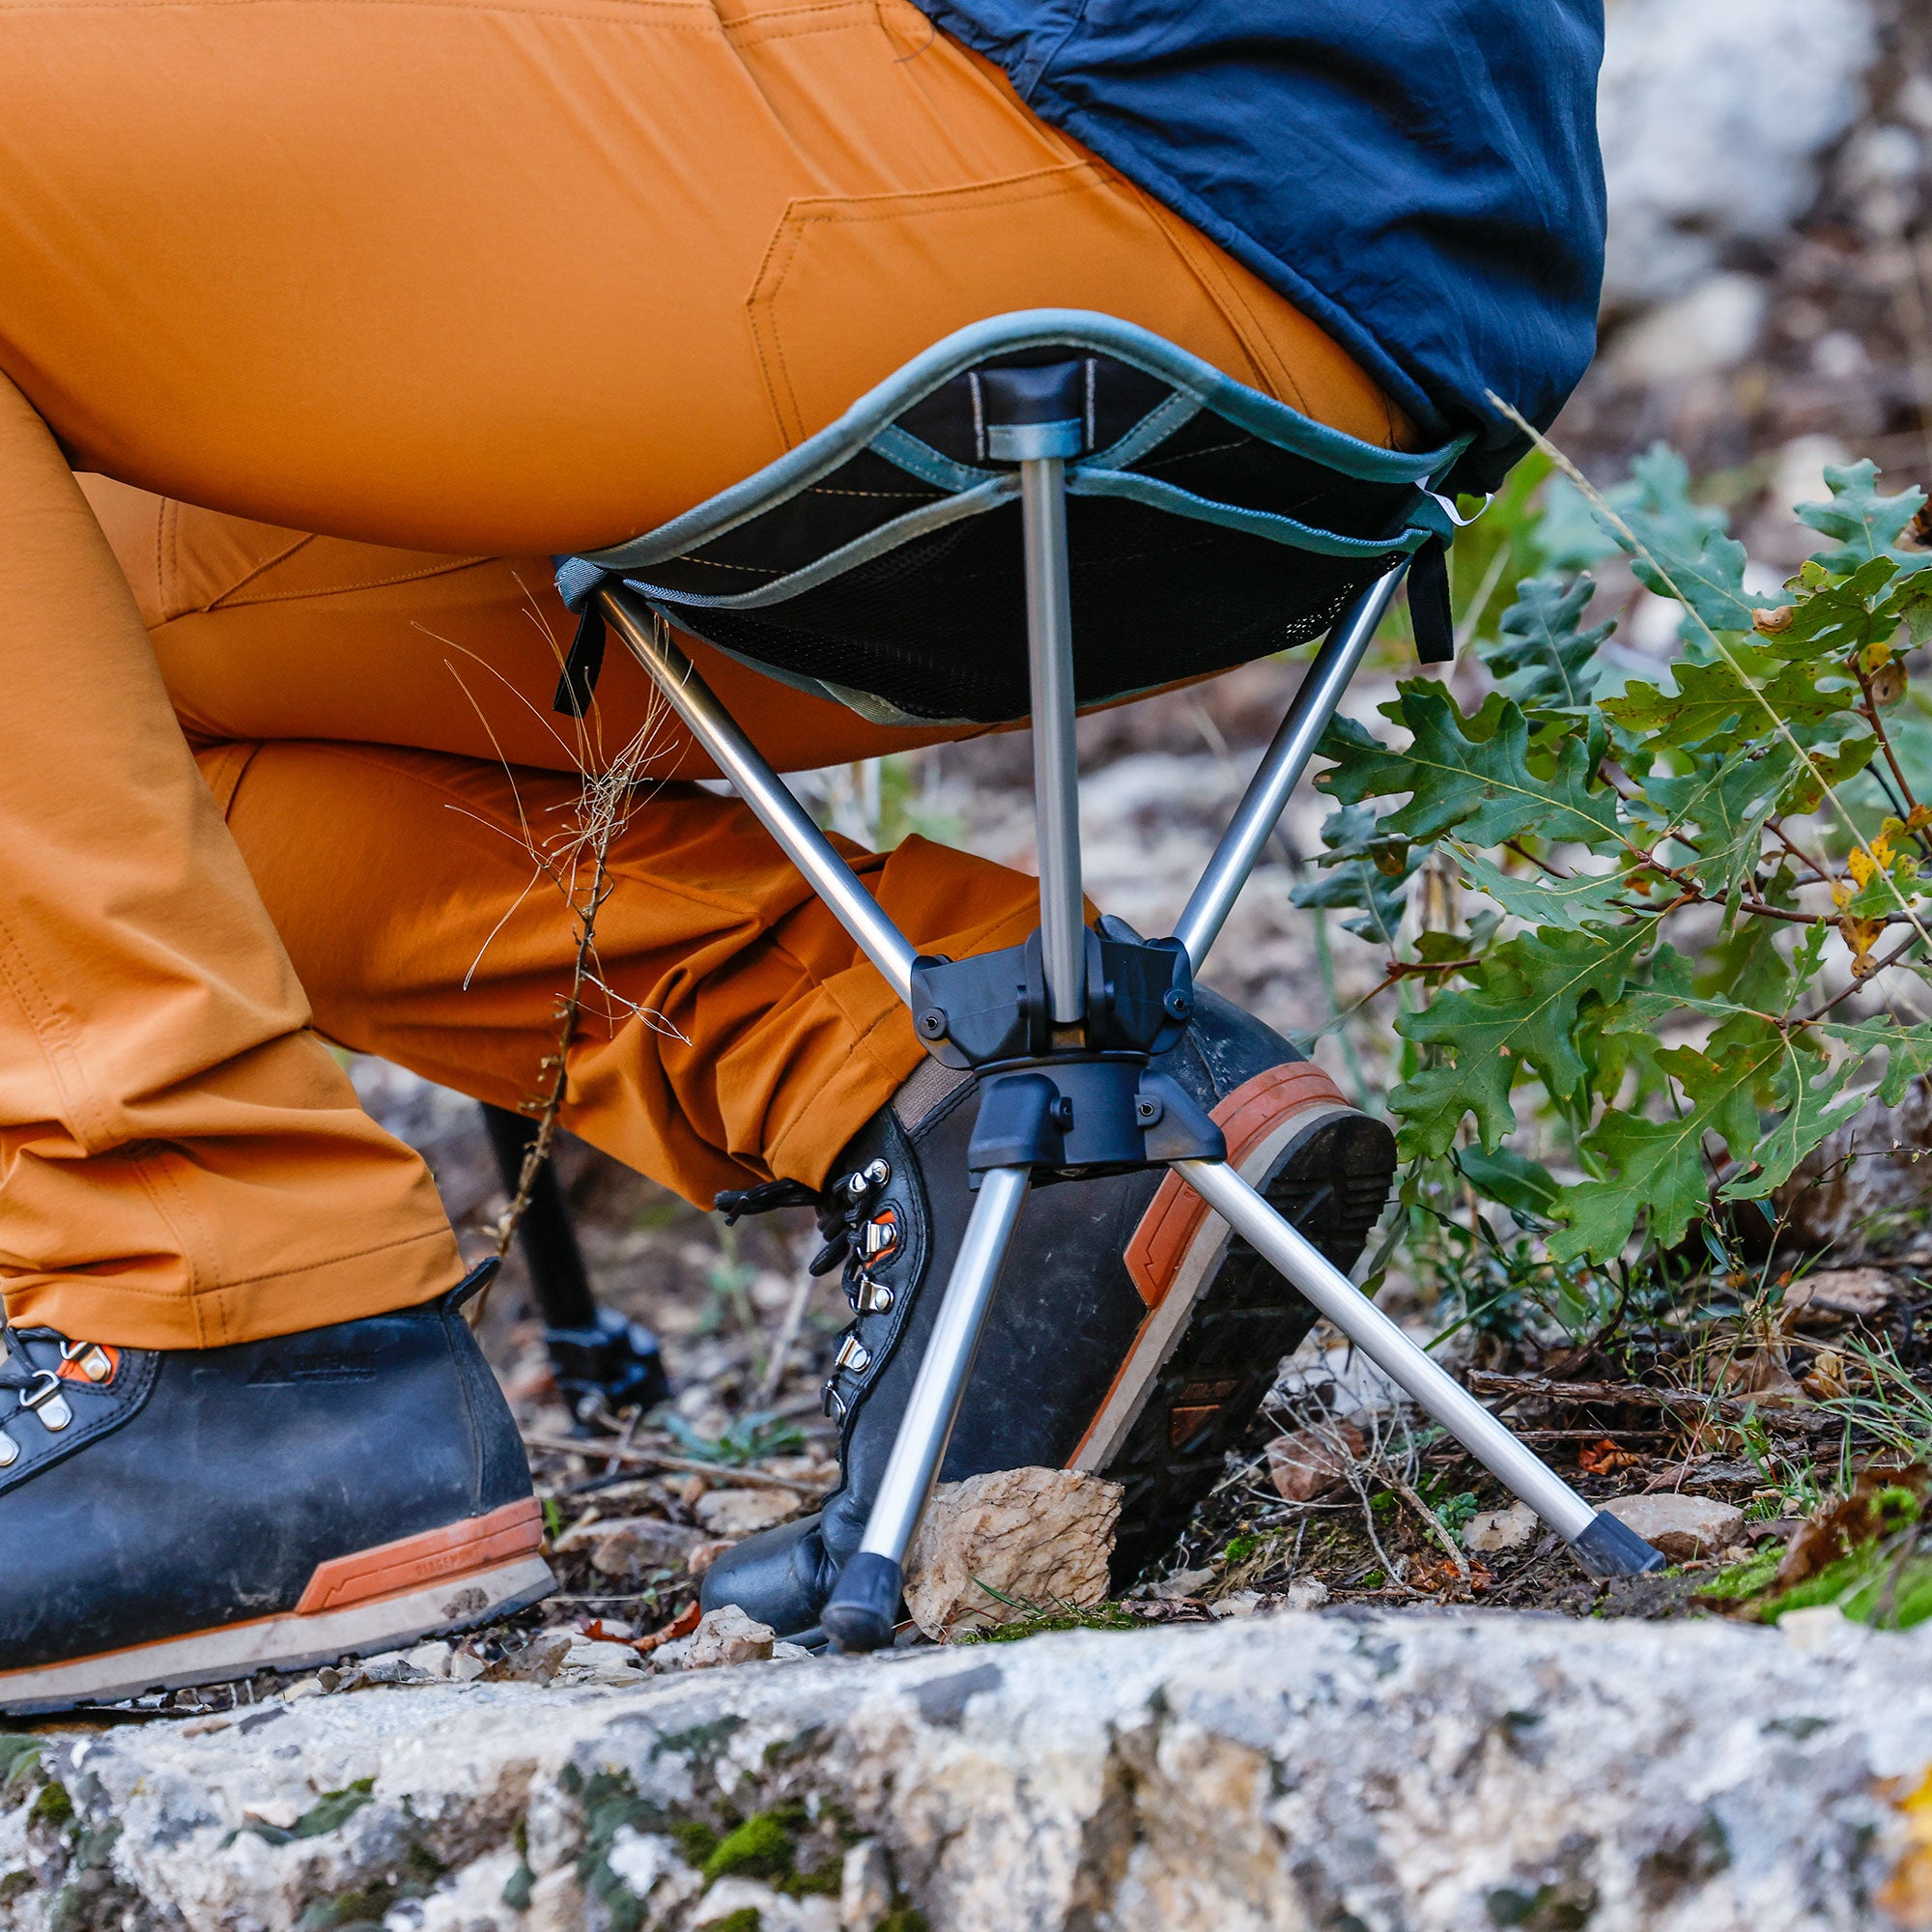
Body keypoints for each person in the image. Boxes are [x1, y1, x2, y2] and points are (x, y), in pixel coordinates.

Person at [0, 0, 1605, 1706]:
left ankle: (206, 1313)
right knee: (80, 621)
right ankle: (946, 1090)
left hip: (1097, 140)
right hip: (1369, 241)